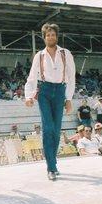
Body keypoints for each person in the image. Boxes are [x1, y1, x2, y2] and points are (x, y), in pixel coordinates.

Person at [24, 23, 76, 181]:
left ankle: (53, 162)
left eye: (53, 34)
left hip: (60, 91)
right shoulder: (39, 55)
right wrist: (28, 96)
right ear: (44, 37)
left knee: (56, 129)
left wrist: (69, 99)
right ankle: (51, 167)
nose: (51, 37)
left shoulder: (65, 53)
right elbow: (32, 77)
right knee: (47, 128)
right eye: (48, 35)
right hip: (45, 91)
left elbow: (71, 76)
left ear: (56, 37)